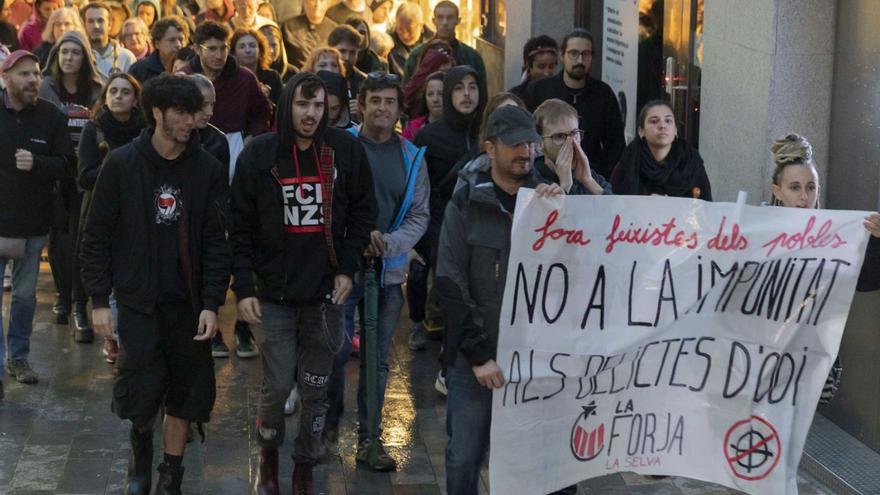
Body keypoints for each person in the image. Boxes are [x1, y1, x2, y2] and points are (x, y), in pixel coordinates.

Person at [80, 74, 231, 495]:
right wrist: (98, 300)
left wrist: (212, 302)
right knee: (141, 394)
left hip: (188, 304)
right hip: (139, 302)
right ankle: (140, 453)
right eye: (181, 113)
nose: (191, 122)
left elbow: (218, 242)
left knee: (185, 395)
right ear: (157, 113)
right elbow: (95, 237)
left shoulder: (207, 168)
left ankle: (171, 476)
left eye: (194, 113)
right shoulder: (122, 165)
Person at [230, 72, 375, 495]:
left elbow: (363, 212)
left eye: (319, 105)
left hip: (326, 294)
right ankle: (269, 455)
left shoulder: (345, 150)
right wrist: (244, 288)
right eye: (302, 104)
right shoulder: (260, 154)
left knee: (316, 388)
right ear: (287, 105)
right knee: (277, 387)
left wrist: (347, 268)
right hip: (273, 294)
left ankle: (305, 465)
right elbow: (238, 227)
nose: (311, 113)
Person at [436, 104, 566, 495]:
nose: (526, 152)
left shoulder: (551, 199)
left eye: (531, 143)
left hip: (534, 361)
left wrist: (567, 203)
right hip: (474, 361)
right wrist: (478, 355)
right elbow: (450, 282)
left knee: (534, 461)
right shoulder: (465, 202)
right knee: (465, 456)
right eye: (515, 144)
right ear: (490, 148)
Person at [326, 71, 429, 471]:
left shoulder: (412, 157)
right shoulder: (339, 146)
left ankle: (370, 437)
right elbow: (328, 203)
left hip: (388, 272)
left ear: (399, 109)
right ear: (362, 105)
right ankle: (327, 427)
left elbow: (419, 214)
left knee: (378, 359)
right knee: (334, 350)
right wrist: (355, 239)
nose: (382, 108)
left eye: (389, 102)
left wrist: (390, 243)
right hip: (343, 270)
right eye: (375, 101)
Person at [0, 50, 73, 394]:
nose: (33, 80)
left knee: (25, 297)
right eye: (24, 74)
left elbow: (67, 165)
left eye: (36, 73)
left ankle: (18, 357)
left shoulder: (51, 116)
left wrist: (38, 163)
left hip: (32, 223)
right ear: (5, 79)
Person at [39, 29, 104, 342]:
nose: (68, 57)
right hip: (56, 173)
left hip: (86, 174)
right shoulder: (45, 87)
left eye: (75, 52)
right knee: (59, 240)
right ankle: (62, 295)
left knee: (80, 239)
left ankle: (79, 302)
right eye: (64, 52)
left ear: (85, 57)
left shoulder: (98, 89)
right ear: (56, 56)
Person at [76, 71, 145, 363]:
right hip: (102, 208)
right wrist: (115, 168)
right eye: (113, 91)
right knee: (109, 271)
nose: (118, 96)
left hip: (137, 210)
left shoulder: (145, 130)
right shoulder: (94, 130)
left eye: (125, 92)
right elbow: (84, 176)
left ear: (135, 99)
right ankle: (113, 337)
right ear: (105, 97)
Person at [526, 28, 625, 179]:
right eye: (573, 53)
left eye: (586, 54)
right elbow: (529, 135)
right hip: (545, 176)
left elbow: (615, 146)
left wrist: (599, 179)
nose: (579, 60)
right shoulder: (539, 90)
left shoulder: (603, 94)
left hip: (591, 176)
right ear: (562, 55)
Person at [611, 99, 711, 200]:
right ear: (641, 131)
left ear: (675, 130)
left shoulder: (691, 162)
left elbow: (705, 205)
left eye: (668, 121)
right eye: (654, 121)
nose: (662, 126)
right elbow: (615, 204)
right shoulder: (629, 161)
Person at [402, 2, 486, 98]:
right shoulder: (417, 55)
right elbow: (406, 95)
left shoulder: (472, 57)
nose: (445, 23)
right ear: (434, 21)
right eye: (440, 17)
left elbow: (481, 96)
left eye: (450, 17)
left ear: (458, 21)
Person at [533, 98, 612, 195]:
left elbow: (617, 205)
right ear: (539, 143)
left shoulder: (591, 176)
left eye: (574, 133)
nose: (571, 142)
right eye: (559, 136)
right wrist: (565, 186)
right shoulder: (533, 180)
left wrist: (589, 181)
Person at [128, 15, 188, 83]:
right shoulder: (139, 70)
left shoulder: (191, 67)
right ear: (157, 44)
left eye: (181, 40)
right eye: (172, 40)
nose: (178, 45)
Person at [82, 2, 136, 78]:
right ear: (84, 25)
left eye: (100, 21)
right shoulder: (80, 56)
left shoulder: (126, 57)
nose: (96, 26)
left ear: (110, 24)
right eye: (90, 21)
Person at [231, 27, 281, 105]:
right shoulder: (229, 78)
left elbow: (281, 107)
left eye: (252, 46)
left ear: (260, 50)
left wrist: (265, 99)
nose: (248, 50)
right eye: (242, 47)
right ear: (234, 53)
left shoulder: (272, 77)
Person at [281, 0, 336, 70]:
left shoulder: (333, 29)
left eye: (322, 1)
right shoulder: (289, 27)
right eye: (313, 0)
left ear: (328, 4)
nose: (317, 5)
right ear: (305, 2)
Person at [328, 24, 364, 121]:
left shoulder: (363, 83)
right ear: (330, 49)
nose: (347, 57)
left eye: (352, 53)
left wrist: (363, 113)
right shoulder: (316, 76)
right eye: (342, 51)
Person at [508, 34, 558, 100]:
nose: (546, 73)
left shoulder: (562, 95)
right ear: (528, 65)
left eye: (551, 67)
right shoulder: (515, 98)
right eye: (541, 67)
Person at [388, 2, 431, 77]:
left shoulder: (434, 42)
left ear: (420, 26)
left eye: (409, 30)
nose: (405, 35)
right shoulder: (388, 44)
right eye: (400, 29)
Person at [402, 70, 443, 141]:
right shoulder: (412, 129)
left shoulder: (458, 127)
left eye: (441, 94)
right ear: (425, 98)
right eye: (430, 94)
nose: (435, 99)